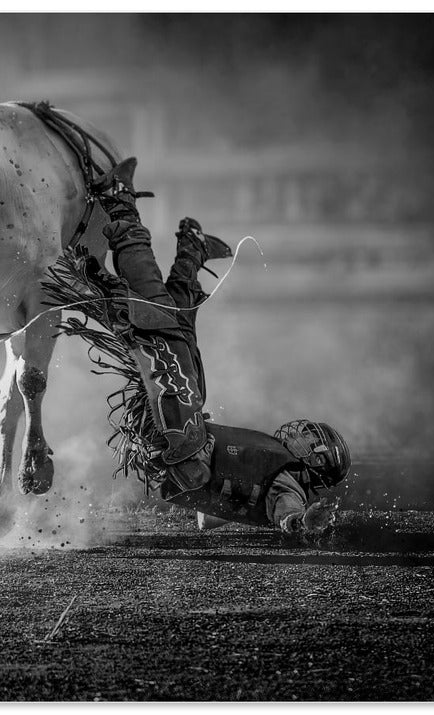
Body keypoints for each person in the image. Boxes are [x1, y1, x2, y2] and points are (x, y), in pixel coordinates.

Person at [70, 157, 351, 535]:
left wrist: (303, 522)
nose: (302, 433)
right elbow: (208, 518)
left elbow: (287, 516)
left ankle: (120, 206)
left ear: (315, 462)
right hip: (183, 430)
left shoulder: (288, 484)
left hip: (182, 435)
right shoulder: (278, 473)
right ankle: (189, 252)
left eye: (310, 439)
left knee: (159, 318)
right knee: (179, 331)